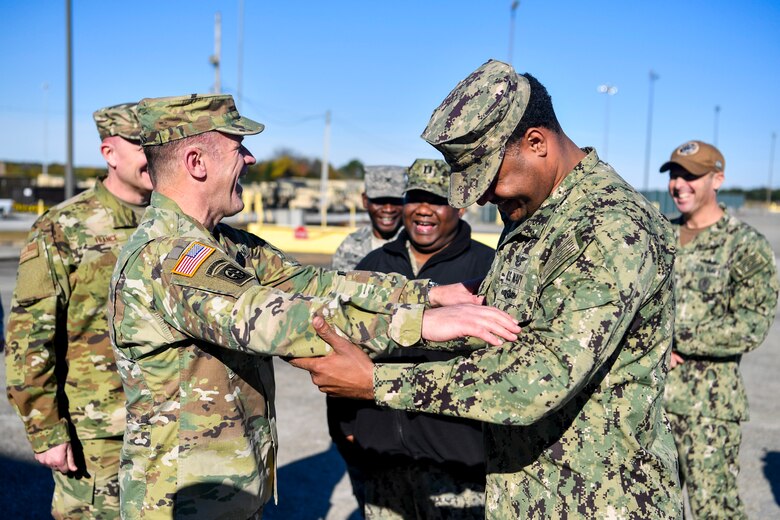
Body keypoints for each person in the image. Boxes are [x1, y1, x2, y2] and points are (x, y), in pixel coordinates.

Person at [291, 59, 684, 518]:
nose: (481, 198)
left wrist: (377, 383)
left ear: (536, 142)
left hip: (598, 501)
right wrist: (418, 321)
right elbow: (504, 332)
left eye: (489, 178)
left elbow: (540, 377)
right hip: (528, 493)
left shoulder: (609, 228)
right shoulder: (536, 211)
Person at [108, 93, 521, 520]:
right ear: (197, 162)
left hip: (227, 490)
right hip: (179, 500)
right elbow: (274, 320)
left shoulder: (225, 243)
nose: (249, 159)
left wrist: (428, 293)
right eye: (237, 147)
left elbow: (316, 282)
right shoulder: (171, 257)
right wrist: (419, 323)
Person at [5, 102, 152, 519]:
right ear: (109, 154)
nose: (153, 155)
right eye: (142, 145)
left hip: (169, 428)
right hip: (99, 435)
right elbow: (29, 338)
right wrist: (46, 430)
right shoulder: (63, 227)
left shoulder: (177, 224)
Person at [329, 158, 495, 519]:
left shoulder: (486, 270)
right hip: (380, 459)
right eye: (415, 198)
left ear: (461, 207)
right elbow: (343, 344)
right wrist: (346, 428)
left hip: (459, 466)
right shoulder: (372, 265)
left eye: (437, 200)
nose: (423, 209)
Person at [660, 140, 779, 519]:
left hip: (707, 410)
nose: (679, 185)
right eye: (675, 175)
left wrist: (674, 336)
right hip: (651, 402)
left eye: (691, 176)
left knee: (716, 512)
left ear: (718, 179)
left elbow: (751, 325)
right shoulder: (657, 237)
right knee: (649, 510)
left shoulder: (746, 247)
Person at [331, 166, 406, 271]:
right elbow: (338, 285)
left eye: (396, 201)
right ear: (365, 200)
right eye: (379, 201)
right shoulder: (350, 245)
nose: (388, 209)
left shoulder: (415, 245)